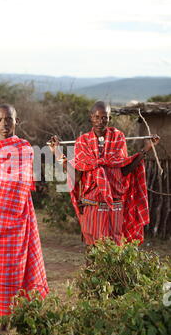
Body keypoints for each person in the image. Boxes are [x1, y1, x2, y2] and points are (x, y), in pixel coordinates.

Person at [0, 104, 49, 335]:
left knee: (9, 276)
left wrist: (2, 198)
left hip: (13, 223)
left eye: (9, 119)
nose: (4, 124)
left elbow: (16, 185)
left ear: (17, 121)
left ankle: (6, 329)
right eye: (0, 119)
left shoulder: (24, 149)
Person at [49, 101, 160, 246]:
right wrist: (57, 153)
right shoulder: (82, 142)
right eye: (97, 117)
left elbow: (124, 171)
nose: (100, 121)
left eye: (104, 118)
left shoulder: (118, 138)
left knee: (114, 250)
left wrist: (146, 149)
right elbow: (76, 176)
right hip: (91, 206)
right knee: (92, 251)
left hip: (115, 206)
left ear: (109, 119)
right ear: (91, 117)